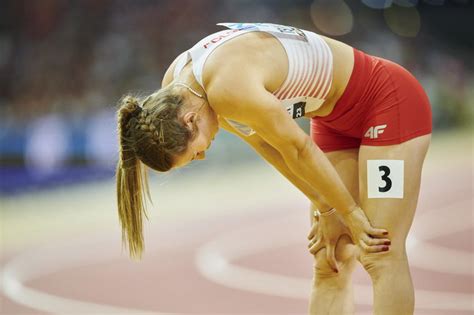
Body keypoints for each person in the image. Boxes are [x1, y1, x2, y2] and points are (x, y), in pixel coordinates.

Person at [115, 23, 431, 315]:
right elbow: (265, 144)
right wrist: (327, 209)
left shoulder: (227, 88)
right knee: (329, 260)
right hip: (332, 121)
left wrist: (348, 213)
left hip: (385, 100)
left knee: (380, 253)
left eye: (194, 153)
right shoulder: (178, 87)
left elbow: (299, 148)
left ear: (189, 120)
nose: (202, 157)